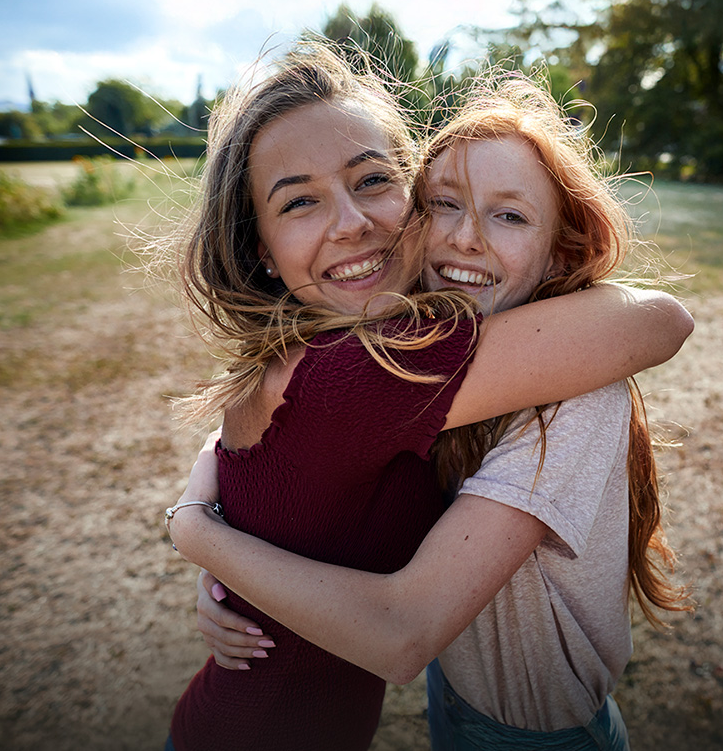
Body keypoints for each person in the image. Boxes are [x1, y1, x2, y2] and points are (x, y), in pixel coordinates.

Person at [164, 45, 693, 751]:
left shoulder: (399, 338)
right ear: (258, 246)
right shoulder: (375, 367)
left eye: (373, 180)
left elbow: (272, 447)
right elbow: (660, 319)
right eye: (298, 201)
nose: (351, 223)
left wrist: (208, 529)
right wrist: (204, 535)